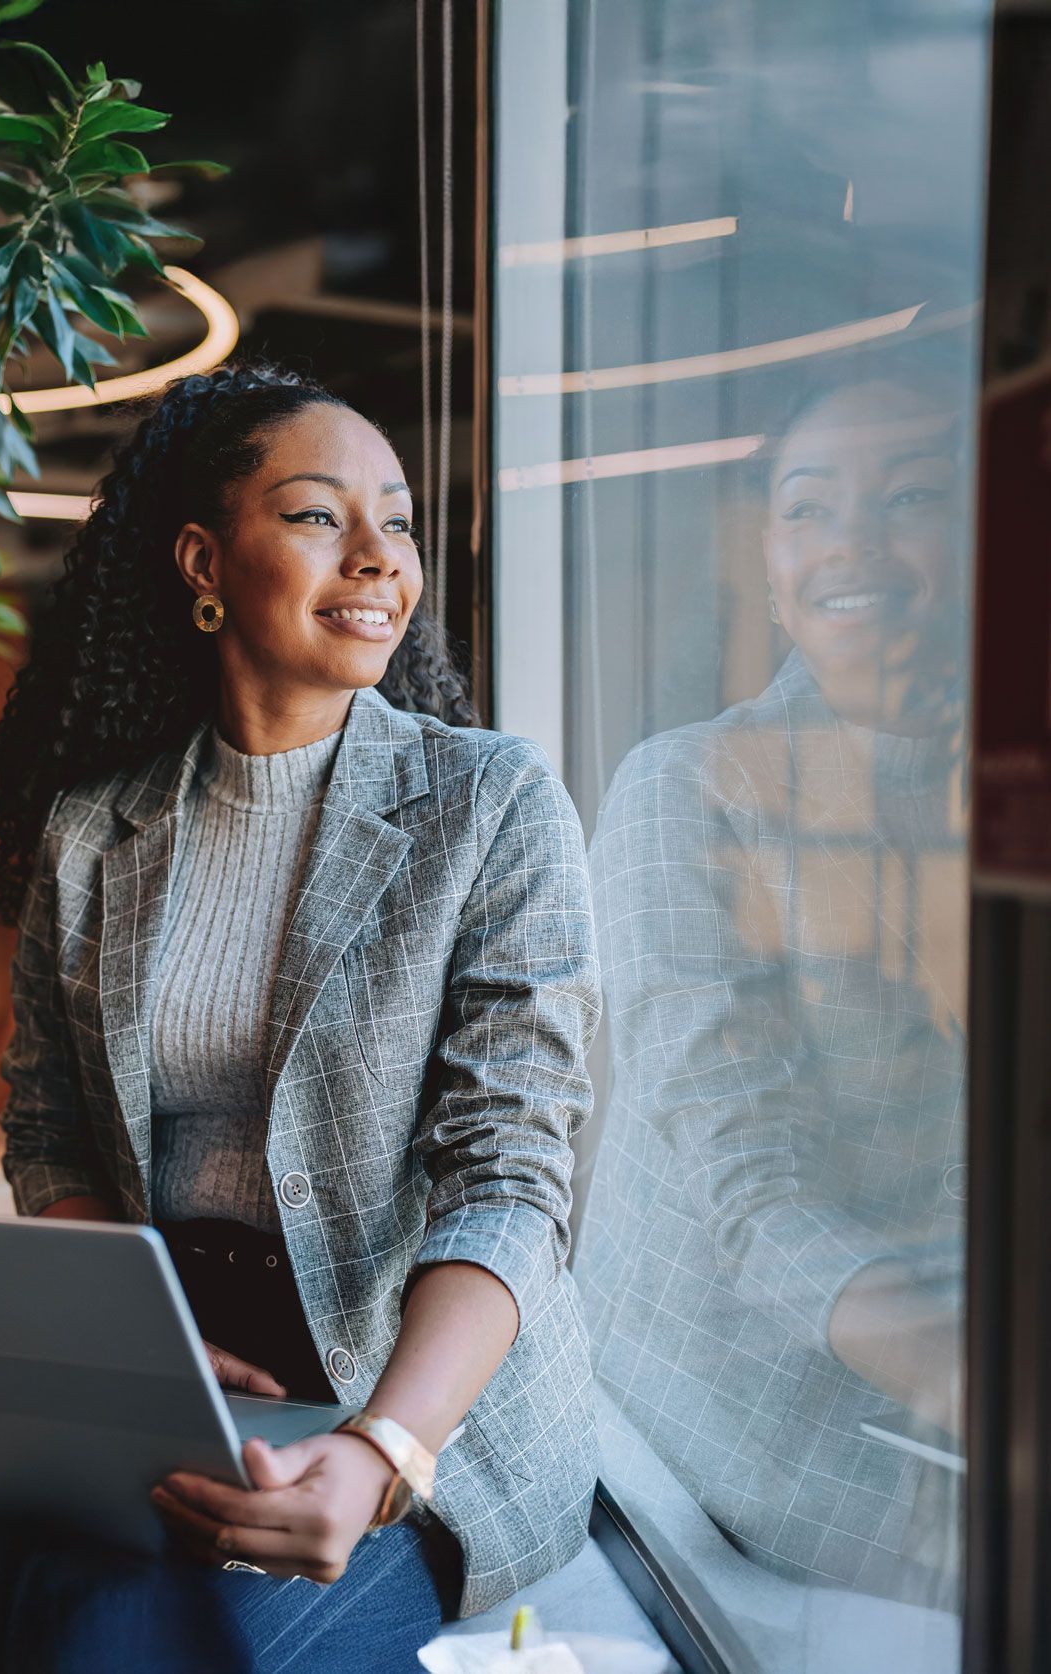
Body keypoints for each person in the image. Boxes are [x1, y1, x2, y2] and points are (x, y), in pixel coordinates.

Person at [0, 363, 603, 1671]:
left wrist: (379, 1453)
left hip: (411, 1393)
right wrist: (146, 1343)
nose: (378, 556)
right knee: (12, 1587)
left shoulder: (490, 805)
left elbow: (511, 1181)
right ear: (204, 559)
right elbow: (52, 1138)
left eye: (399, 520)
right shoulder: (95, 829)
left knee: (114, 1643)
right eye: (318, 516)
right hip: (171, 1374)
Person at [577, 358, 969, 1614]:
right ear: (768, 573)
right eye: (807, 508)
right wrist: (972, 1376)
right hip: (734, 1433)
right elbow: (754, 1199)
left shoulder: (1001, 795)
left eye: (909, 499)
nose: (851, 543)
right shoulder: (684, 788)